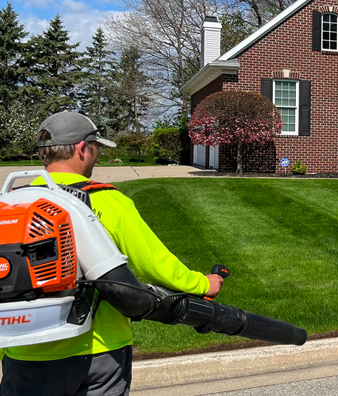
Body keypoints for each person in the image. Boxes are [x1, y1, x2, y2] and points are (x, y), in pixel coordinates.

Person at [0, 111, 224, 396]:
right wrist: (204, 284)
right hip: (100, 351)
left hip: (25, 353)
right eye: (96, 149)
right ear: (83, 149)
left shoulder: (13, 205)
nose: (97, 157)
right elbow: (156, 265)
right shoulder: (110, 201)